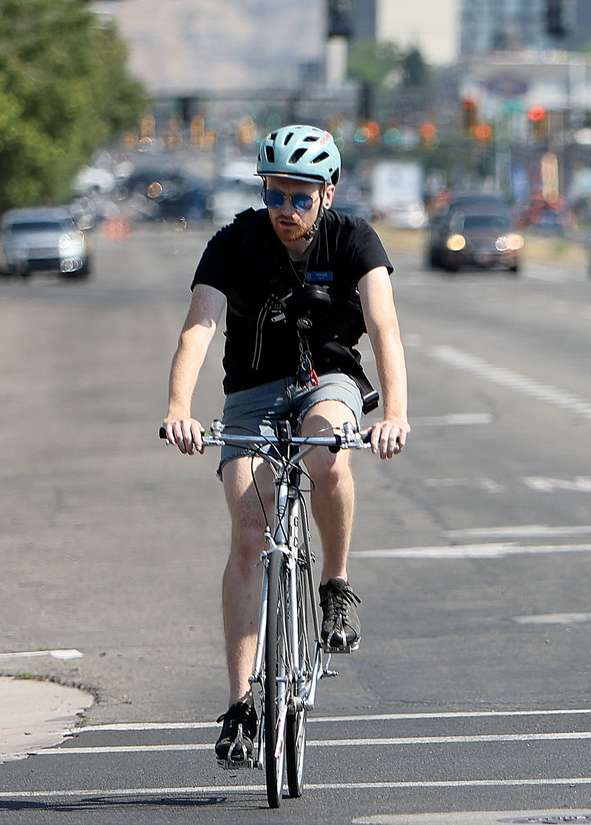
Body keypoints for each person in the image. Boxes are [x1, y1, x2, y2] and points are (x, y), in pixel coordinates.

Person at [161, 125, 410, 766]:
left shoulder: (355, 239)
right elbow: (200, 327)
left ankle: (334, 585)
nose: (286, 211)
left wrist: (396, 414)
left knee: (326, 449)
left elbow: (383, 326)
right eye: (275, 194)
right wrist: (179, 409)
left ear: (327, 193)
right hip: (251, 390)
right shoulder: (233, 242)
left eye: (301, 197)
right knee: (248, 530)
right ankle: (242, 702)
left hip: (327, 377)